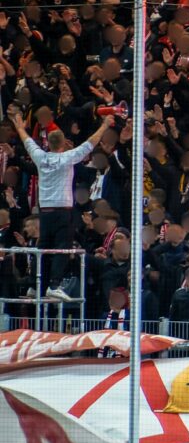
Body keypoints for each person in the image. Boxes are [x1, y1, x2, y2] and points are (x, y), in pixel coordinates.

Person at [9, 105, 115, 298]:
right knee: (61, 249)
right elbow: (90, 143)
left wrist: (18, 125)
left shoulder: (40, 157)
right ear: (64, 143)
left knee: (43, 248)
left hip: (45, 211)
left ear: (48, 143)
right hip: (62, 211)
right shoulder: (68, 157)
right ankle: (54, 285)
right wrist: (105, 125)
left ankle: (35, 285)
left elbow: (27, 142)